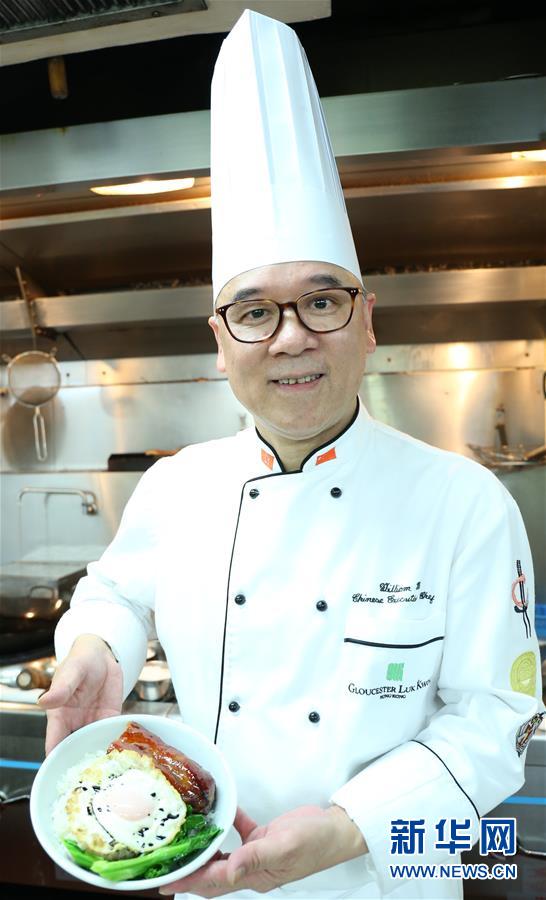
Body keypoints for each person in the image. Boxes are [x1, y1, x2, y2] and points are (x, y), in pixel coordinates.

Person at [39, 10, 543, 900]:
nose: (291, 338)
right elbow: (116, 590)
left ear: (367, 320)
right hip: (202, 877)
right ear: (220, 341)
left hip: (383, 881)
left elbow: (497, 721)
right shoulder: (176, 487)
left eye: (321, 301)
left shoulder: (465, 503)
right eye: (254, 312)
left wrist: (348, 827)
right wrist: (96, 647)